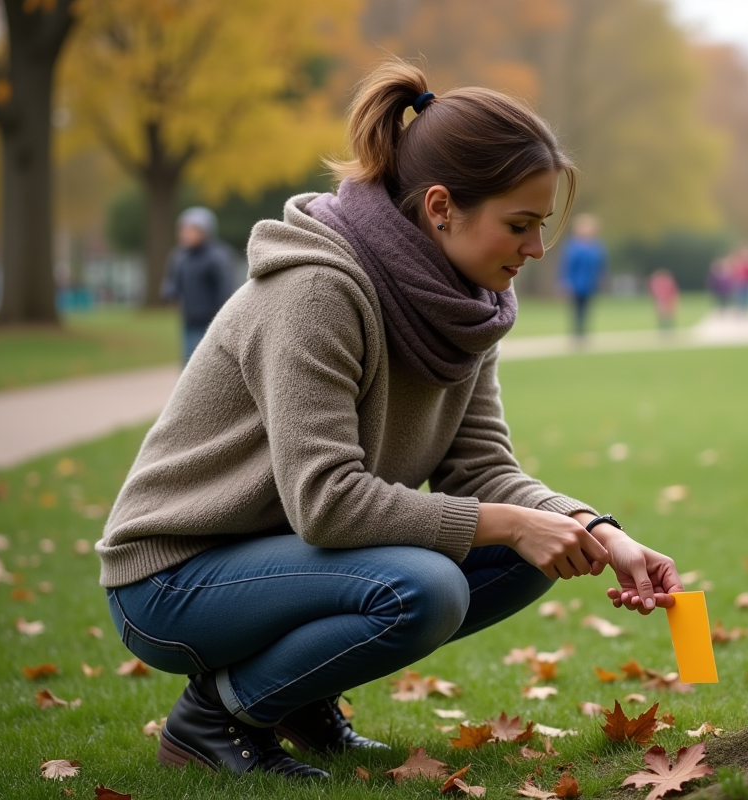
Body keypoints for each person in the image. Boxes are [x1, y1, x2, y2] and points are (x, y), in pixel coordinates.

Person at [97, 58, 683, 780]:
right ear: (441, 208)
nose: (536, 250)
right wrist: (513, 523)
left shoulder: (464, 305)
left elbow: (483, 473)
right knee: (428, 587)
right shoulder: (317, 291)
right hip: (173, 580)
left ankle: (300, 700)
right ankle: (211, 719)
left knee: (538, 555)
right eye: (520, 225)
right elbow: (327, 502)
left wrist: (596, 530)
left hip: (286, 556)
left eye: (542, 227)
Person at [159, 206, 239, 364]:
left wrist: (222, 313)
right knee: (189, 361)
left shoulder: (217, 256)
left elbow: (225, 286)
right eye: (183, 229)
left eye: (191, 229)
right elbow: (172, 281)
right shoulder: (180, 257)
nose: (186, 234)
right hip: (189, 319)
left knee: (209, 363)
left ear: (205, 231)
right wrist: (169, 293)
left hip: (211, 321)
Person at [557, 213, 606, 340]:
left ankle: (584, 332)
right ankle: (577, 333)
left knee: (587, 308)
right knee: (576, 308)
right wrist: (565, 282)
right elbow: (566, 266)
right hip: (576, 283)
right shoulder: (572, 246)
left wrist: (601, 278)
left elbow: (601, 264)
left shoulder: (596, 245)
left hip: (590, 283)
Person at [647, 268, 679, 332]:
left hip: (667, 299)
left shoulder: (666, 281)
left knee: (667, 315)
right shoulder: (658, 281)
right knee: (662, 315)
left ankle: (668, 329)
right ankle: (664, 329)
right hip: (662, 300)